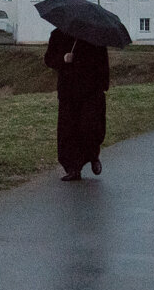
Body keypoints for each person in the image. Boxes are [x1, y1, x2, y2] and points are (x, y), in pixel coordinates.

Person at [43, 28, 110, 181]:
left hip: (91, 90)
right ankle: (73, 168)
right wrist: (63, 59)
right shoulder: (57, 35)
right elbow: (49, 59)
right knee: (68, 131)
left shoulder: (95, 36)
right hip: (68, 91)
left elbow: (102, 62)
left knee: (90, 127)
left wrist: (103, 85)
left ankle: (93, 156)